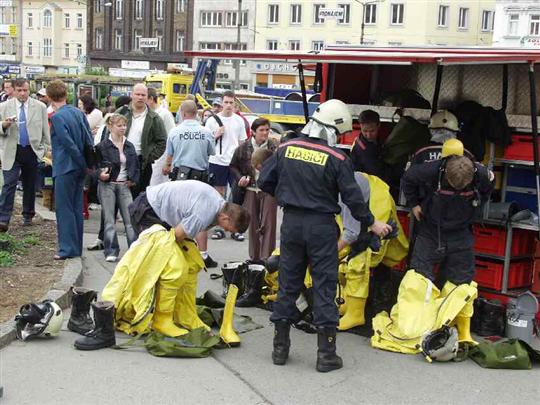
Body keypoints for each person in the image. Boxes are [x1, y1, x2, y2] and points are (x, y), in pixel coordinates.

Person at [259, 99, 392, 372]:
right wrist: (373, 223)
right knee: (324, 287)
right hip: (321, 227)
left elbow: (264, 182)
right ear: (335, 128)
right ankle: (326, 355)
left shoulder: (286, 148)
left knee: (288, 284)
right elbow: (354, 200)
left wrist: (289, 197)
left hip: (292, 224)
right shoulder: (338, 158)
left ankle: (279, 349)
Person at [402, 148, 494, 343]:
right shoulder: (431, 170)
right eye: (454, 186)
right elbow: (408, 178)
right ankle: (415, 325)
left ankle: (463, 332)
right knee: (418, 279)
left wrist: (476, 210)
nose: (459, 190)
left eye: (463, 187)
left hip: (461, 232)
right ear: (445, 175)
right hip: (430, 230)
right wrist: (414, 204)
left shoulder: (482, 175)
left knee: (463, 283)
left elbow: (487, 190)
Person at [162, 100, 217, 268]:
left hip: (181, 178)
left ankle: (177, 251)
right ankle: (203, 254)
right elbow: (211, 153)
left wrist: (166, 166)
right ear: (197, 113)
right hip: (200, 178)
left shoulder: (175, 131)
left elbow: (170, 155)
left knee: (178, 214)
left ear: (183, 113)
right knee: (201, 215)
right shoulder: (206, 132)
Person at [47, 79, 94, 259]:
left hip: (65, 166)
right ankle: (76, 247)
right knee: (76, 208)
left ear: (50, 98)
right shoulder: (77, 112)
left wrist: (80, 161)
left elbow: (68, 143)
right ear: (66, 94)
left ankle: (66, 249)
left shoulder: (57, 117)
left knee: (64, 209)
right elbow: (88, 137)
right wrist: (87, 164)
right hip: (79, 169)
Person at [0, 78, 50, 231]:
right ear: (13, 91)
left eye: (25, 90)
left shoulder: (40, 107)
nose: (23, 93)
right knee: (9, 184)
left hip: (31, 149)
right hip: (11, 149)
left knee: (29, 184)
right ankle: (3, 218)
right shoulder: (3, 107)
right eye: (19, 90)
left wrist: (46, 149)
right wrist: (4, 125)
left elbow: (45, 131)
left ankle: (28, 215)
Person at [129, 180, 250, 241]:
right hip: (147, 209)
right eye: (228, 228)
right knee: (149, 261)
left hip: (154, 206)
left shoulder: (218, 202)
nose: (225, 230)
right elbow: (176, 237)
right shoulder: (204, 214)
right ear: (225, 217)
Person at [229, 118, 277, 260]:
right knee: (253, 224)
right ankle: (255, 258)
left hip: (269, 190)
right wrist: (240, 179)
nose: (265, 133)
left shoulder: (274, 147)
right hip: (250, 189)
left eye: (267, 130)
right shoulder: (243, 148)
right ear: (253, 132)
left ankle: (267, 258)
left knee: (268, 224)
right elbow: (232, 166)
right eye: (261, 130)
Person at [95, 114, 139, 262]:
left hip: (124, 184)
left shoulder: (129, 145)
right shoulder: (102, 146)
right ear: (110, 127)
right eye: (119, 125)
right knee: (109, 219)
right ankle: (111, 250)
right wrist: (100, 174)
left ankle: (134, 250)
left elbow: (135, 164)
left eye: (124, 125)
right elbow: (95, 166)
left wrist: (134, 179)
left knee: (130, 219)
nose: (122, 128)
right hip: (107, 185)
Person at [205, 90, 248, 241]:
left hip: (234, 162)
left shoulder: (239, 121)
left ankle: (235, 228)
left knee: (235, 195)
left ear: (235, 104)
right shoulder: (211, 121)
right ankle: (218, 227)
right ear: (221, 103)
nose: (228, 105)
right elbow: (206, 142)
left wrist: (244, 164)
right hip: (217, 161)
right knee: (219, 196)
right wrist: (216, 134)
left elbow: (243, 143)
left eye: (231, 102)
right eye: (226, 102)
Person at [117, 83, 167, 195]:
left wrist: (149, 156)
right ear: (132, 95)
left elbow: (162, 141)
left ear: (147, 97)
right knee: (115, 199)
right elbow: (108, 133)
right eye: (137, 94)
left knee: (138, 200)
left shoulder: (154, 118)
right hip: (119, 160)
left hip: (142, 164)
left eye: (143, 95)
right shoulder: (122, 112)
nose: (140, 97)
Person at [349, 109, 384, 178]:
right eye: (365, 131)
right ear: (360, 126)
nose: (368, 135)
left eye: (372, 131)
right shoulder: (362, 148)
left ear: (378, 126)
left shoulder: (379, 139)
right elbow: (377, 172)